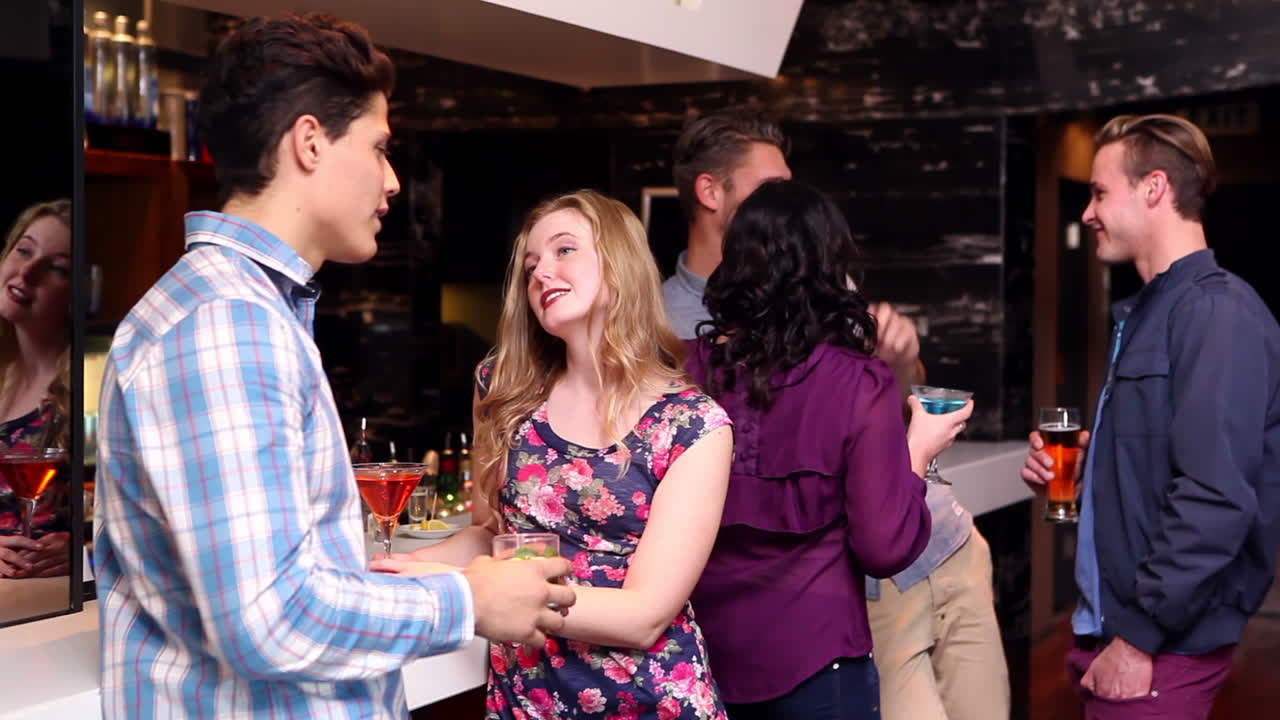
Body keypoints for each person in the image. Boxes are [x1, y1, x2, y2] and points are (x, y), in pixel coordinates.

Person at [92, 15, 573, 719]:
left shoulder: (247, 310)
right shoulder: (226, 324)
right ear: (309, 142)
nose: (393, 180)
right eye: (379, 148)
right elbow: (269, 619)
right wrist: (470, 599)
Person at [667, 109, 1008, 719]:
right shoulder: (856, 381)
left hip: (715, 654)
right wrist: (919, 448)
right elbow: (882, 544)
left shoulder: (685, 368)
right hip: (818, 654)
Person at [375, 189, 735, 720]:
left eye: (564, 250)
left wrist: (479, 597)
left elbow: (644, 616)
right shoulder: (502, 388)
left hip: (646, 703)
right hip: (525, 699)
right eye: (530, 265)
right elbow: (491, 533)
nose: (542, 272)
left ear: (620, 264)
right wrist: (398, 569)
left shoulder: (691, 424)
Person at [1021, 113, 1280, 719]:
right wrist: (1094, 473)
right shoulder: (1148, 313)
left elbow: (1216, 496)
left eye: (1099, 192)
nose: (1088, 213)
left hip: (1158, 647)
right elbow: (1167, 461)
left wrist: (1138, 637)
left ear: (1154, 188)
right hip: (1117, 631)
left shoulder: (1215, 314)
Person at [0, 199, 72, 579]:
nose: (26, 272)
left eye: (56, 268)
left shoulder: (87, 394)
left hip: (48, 611)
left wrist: (83, 551)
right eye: (24, 251)